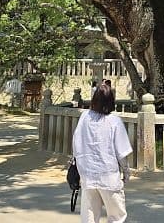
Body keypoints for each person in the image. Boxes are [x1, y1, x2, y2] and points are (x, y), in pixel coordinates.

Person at [72, 81, 132, 223]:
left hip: (87, 174)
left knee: (89, 216)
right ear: (111, 101)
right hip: (108, 175)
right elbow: (121, 152)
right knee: (116, 216)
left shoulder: (84, 117)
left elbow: (76, 144)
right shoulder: (114, 121)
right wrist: (126, 171)